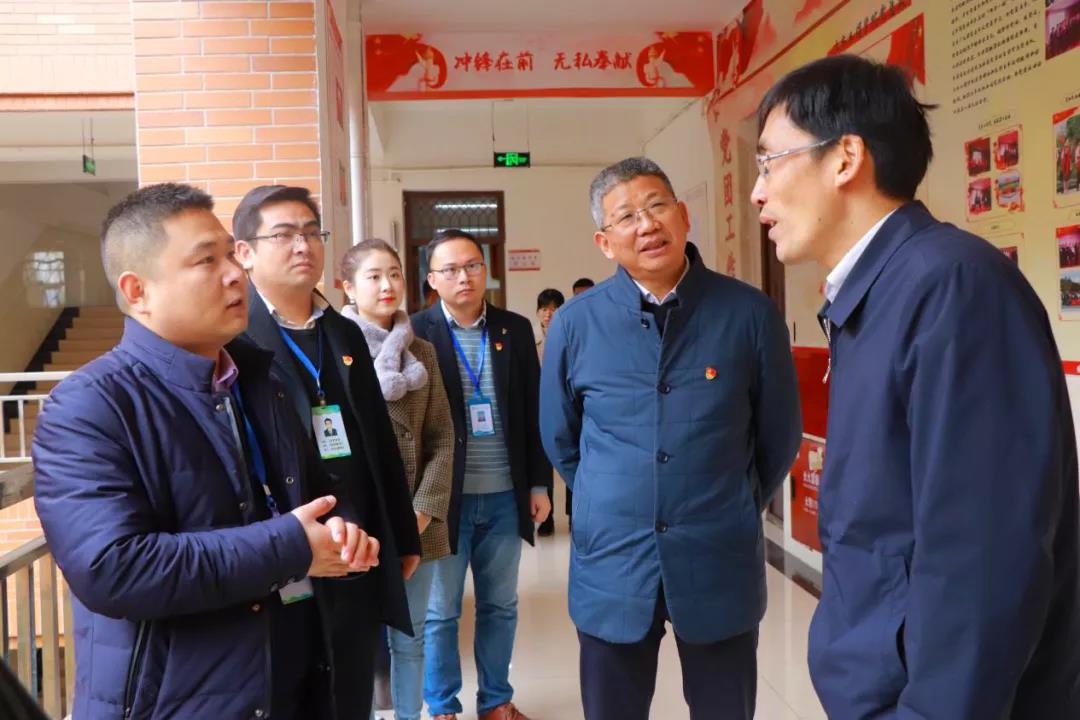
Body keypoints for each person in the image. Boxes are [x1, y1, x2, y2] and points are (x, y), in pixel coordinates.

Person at [752, 54, 1080, 718]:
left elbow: (981, 558)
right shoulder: (880, 291)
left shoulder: (952, 288)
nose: (758, 193)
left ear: (845, 158)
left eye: (769, 163)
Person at [33, 183, 380, 719]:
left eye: (230, 256)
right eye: (206, 261)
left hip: (290, 683)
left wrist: (341, 532)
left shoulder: (260, 380)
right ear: (138, 290)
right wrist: (291, 545)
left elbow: (314, 494)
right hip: (178, 702)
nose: (235, 274)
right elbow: (114, 569)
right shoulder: (88, 406)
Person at [540, 157, 802, 720]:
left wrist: (731, 498)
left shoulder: (750, 313)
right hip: (613, 560)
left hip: (718, 555)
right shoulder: (575, 323)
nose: (647, 224)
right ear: (605, 242)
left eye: (657, 206)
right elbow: (561, 438)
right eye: (626, 216)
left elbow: (778, 434)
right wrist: (614, 495)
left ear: (683, 216)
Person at [233, 185, 422, 718]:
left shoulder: (343, 331)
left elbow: (378, 441)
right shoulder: (234, 338)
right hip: (283, 554)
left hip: (356, 545)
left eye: (312, 233)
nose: (303, 246)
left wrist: (401, 533)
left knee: (349, 687)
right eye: (284, 235)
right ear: (245, 253)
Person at [411, 229, 552, 720]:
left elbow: (534, 413)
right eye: (449, 269)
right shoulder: (416, 333)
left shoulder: (513, 329)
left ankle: (495, 701)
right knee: (440, 612)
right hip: (442, 501)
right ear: (432, 279)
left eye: (472, 265)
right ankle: (442, 706)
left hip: (504, 496)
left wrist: (538, 483)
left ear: (486, 270)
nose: (464, 277)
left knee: (500, 606)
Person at [340, 238, 455, 720]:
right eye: (373, 276)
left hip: (417, 520)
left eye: (394, 274)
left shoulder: (422, 351)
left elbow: (442, 436)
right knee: (358, 640)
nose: (387, 285)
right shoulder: (335, 349)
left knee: (412, 636)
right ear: (348, 287)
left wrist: (421, 511)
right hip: (358, 524)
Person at [534, 287, 565, 537]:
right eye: (544, 309)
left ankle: (576, 514)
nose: (548, 314)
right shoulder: (531, 342)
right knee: (543, 463)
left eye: (554, 309)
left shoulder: (568, 337)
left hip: (564, 408)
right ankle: (547, 518)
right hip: (539, 409)